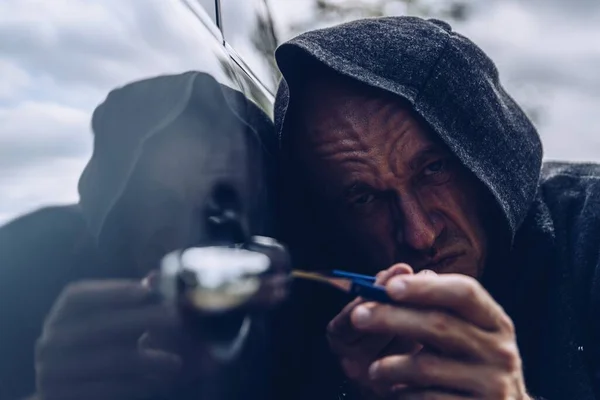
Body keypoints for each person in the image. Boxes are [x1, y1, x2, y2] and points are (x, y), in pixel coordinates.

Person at [270, 16, 600, 400]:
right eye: (364, 199)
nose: (420, 234)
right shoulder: (322, 325)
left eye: (433, 169)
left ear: (485, 153)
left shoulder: (590, 235)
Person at [0, 71, 280, 400]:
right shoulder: (22, 267)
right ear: (115, 209)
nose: (179, 238)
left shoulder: (294, 323)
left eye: (216, 214)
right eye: (158, 203)